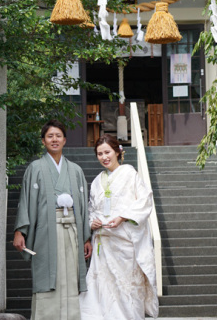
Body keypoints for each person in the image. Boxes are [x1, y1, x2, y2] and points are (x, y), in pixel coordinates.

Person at [13, 120, 93, 320]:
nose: (54, 139)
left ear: (65, 140)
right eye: (50, 136)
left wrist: (86, 237)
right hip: (45, 230)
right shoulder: (36, 168)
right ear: (43, 141)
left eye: (58, 136)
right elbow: (26, 200)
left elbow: (83, 206)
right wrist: (20, 231)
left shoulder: (75, 170)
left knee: (70, 274)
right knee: (47, 273)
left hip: (73, 229)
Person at [80, 134, 159, 320]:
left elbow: (145, 200)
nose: (104, 157)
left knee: (126, 288)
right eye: (99, 154)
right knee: (102, 288)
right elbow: (92, 208)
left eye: (107, 152)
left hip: (124, 242)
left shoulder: (130, 173)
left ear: (117, 152)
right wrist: (92, 222)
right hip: (103, 243)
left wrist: (123, 217)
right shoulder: (98, 181)